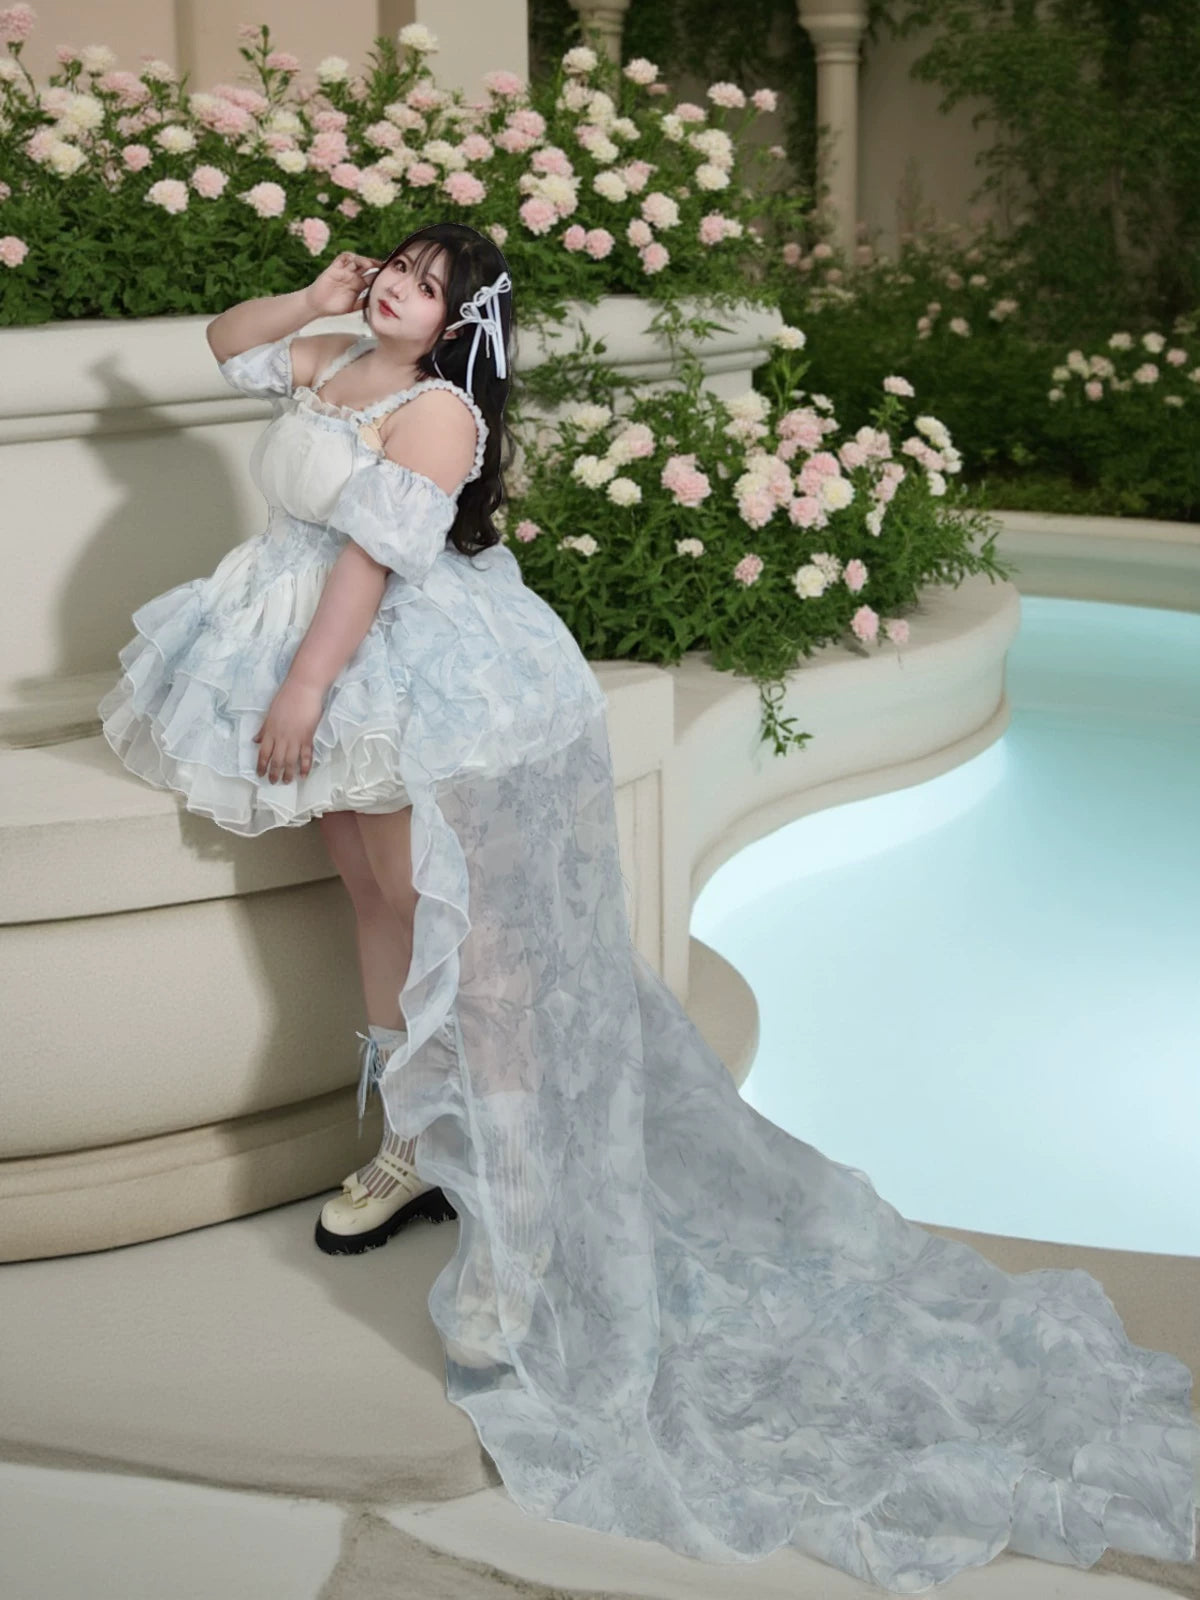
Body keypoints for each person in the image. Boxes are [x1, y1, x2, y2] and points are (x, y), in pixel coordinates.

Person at [97, 222, 1198, 1593]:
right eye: (394, 264)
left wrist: (308, 692)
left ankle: (499, 1200)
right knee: (367, 893)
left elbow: (369, 573)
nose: (396, 287)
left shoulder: (437, 416)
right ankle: (406, 1142)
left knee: (453, 923)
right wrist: (311, 297)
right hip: (284, 617)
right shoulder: (328, 353)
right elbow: (224, 346)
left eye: (430, 285)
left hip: (387, 656)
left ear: (462, 325)